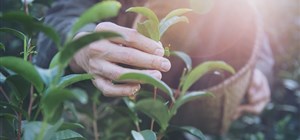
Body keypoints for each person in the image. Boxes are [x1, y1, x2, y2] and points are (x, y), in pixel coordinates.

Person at [34, 0, 274, 135]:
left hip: (202, 118)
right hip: (115, 116)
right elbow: (62, 18)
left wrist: (261, 72)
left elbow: (255, 29)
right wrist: (80, 44)